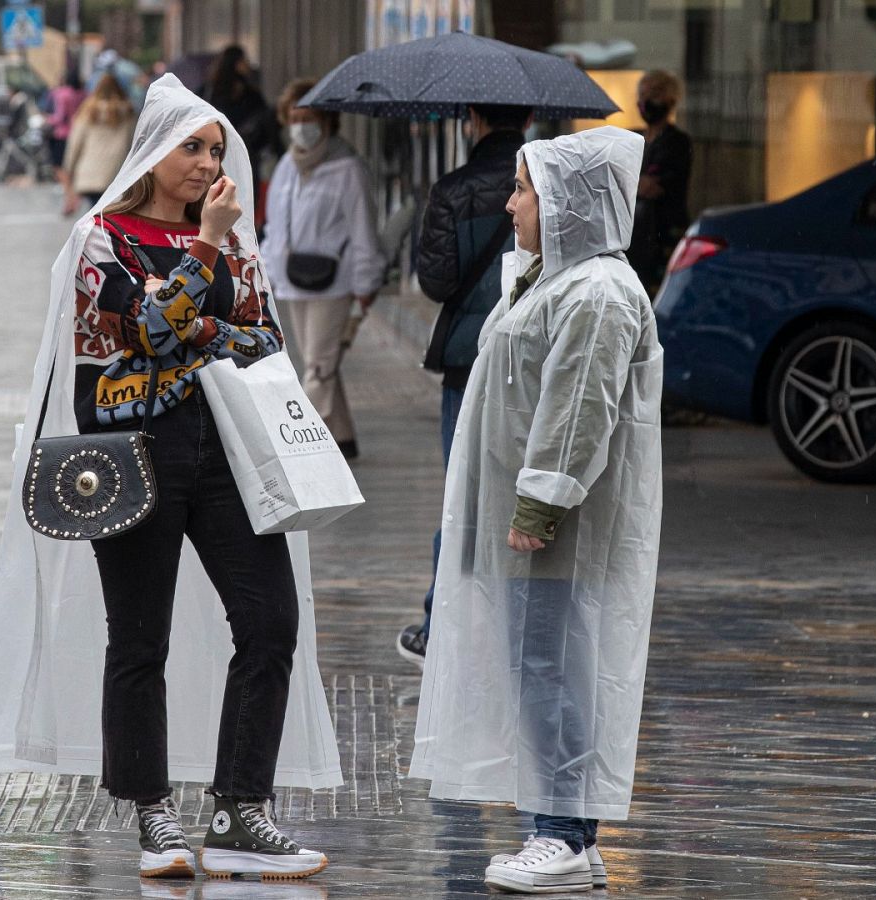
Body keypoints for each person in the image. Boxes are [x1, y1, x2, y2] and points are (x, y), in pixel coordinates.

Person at [0, 74, 340, 883]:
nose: (209, 163)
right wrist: (203, 266)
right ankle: (152, 812)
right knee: (140, 638)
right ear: (152, 151)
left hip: (230, 453)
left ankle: (240, 810)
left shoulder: (237, 244)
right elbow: (142, 331)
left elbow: (263, 341)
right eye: (192, 147)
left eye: (216, 149)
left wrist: (192, 317)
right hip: (134, 454)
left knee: (270, 622)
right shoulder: (103, 238)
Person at [409, 126, 663, 895]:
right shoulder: (557, 279)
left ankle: (560, 833)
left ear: (564, 202)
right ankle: (568, 833)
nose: (511, 204)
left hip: (554, 528)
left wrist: (539, 505)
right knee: (543, 669)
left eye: (522, 189)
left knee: (547, 670)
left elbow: (577, 408)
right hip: (528, 520)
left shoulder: (597, 292)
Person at [395, 103, 532, 668]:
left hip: (468, 360)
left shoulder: (453, 189)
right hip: (532, 358)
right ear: (528, 117)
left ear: (473, 117)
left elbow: (435, 280)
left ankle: (441, 627)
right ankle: (516, 625)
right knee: (525, 489)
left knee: (465, 496)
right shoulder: (546, 185)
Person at [260, 78, 386, 460]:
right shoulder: (287, 165)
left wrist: (366, 283)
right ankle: (342, 438)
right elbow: (275, 227)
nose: (301, 126)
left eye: (309, 117)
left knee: (318, 367)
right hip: (292, 281)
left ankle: (296, 447)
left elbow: (363, 231)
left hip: (335, 285)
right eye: (294, 118)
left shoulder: (348, 168)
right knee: (321, 362)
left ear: (327, 121)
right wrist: (266, 274)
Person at [626, 70, 692, 295]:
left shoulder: (677, 142)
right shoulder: (633, 138)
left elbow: (650, 187)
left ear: (671, 100)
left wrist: (624, 180)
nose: (646, 101)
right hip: (633, 236)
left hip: (662, 234)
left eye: (654, 94)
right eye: (642, 94)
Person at [59, 73, 135, 216]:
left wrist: (69, 167)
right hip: (117, 170)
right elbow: (133, 141)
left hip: (90, 171)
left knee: (95, 212)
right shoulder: (128, 112)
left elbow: (75, 143)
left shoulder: (88, 110)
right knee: (112, 213)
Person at [198, 46, 274, 183]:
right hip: (220, 153)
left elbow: (264, 121)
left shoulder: (251, 94)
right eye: (244, 61)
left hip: (243, 152)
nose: (248, 65)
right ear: (235, 63)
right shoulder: (209, 91)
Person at [44, 71, 85, 173]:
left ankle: (67, 184)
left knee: (59, 165)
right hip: (79, 131)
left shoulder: (62, 94)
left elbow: (60, 117)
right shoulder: (84, 94)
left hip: (63, 133)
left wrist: (47, 119)